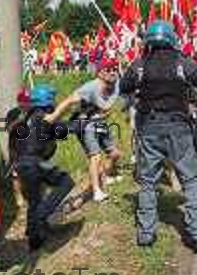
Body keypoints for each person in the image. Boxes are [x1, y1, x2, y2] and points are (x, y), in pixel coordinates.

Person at [120, 20, 197, 252]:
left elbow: (123, 87)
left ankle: (146, 234)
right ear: (172, 39)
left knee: (148, 182)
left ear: (149, 41)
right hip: (179, 128)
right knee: (190, 179)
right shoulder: (184, 63)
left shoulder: (139, 65)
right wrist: (196, 104)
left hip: (149, 128)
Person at [45, 57, 122, 202]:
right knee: (96, 157)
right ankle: (96, 191)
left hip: (100, 122)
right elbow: (69, 100)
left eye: (114, 69)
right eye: (108, 69)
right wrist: (53, 117)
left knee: (115, 154)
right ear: (100, 73)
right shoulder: (91, 87)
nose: (112, 72)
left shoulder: (118, 84)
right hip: (85, 123)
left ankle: (104, 176)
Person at [10, 85, 75, 251]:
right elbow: (57, 125)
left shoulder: (28, 118)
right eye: (52, 99)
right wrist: (71, 107)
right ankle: (41, 216)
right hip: (35, 163)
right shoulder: (41, 116)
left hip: (22, 164)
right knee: (66, 182)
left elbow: (58, 131)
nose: (55, 102)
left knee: (34, 201)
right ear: (47, 101)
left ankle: (34, 241)